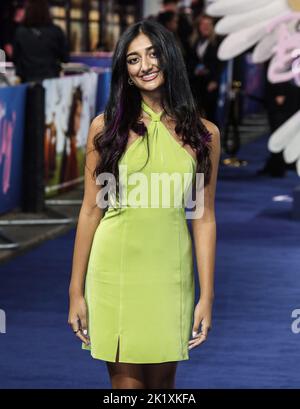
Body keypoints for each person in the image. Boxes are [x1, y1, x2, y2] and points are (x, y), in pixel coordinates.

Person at [68, 19, 220, 389]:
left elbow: (203, 218)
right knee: (127, 390)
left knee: (163, 389)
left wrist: (208, 294)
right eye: (133, 59)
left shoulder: (204, 135)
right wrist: (76, 291)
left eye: (153, 54)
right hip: (114, 271)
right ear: (125, 71)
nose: (146, 65)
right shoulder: (105, 129)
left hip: (171, 273)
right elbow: (91, 210)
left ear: (169, 58)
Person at [13, 0, 69, 83]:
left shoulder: (20, 32)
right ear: (47, 11)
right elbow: (65, 58)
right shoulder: (56, 31)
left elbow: (15, 57)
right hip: (51, 81)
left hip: (27, 82)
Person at [190, 13, 223, 124]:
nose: (205, 27)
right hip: (196, 83)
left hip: (210, 83)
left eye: (208, 24)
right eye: (203, 24)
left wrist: (215, 80)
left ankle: (213, 139)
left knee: (210, 114)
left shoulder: (217, 42)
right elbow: (191, 60)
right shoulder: (194, 41)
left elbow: (220, 64)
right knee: (197, 113)